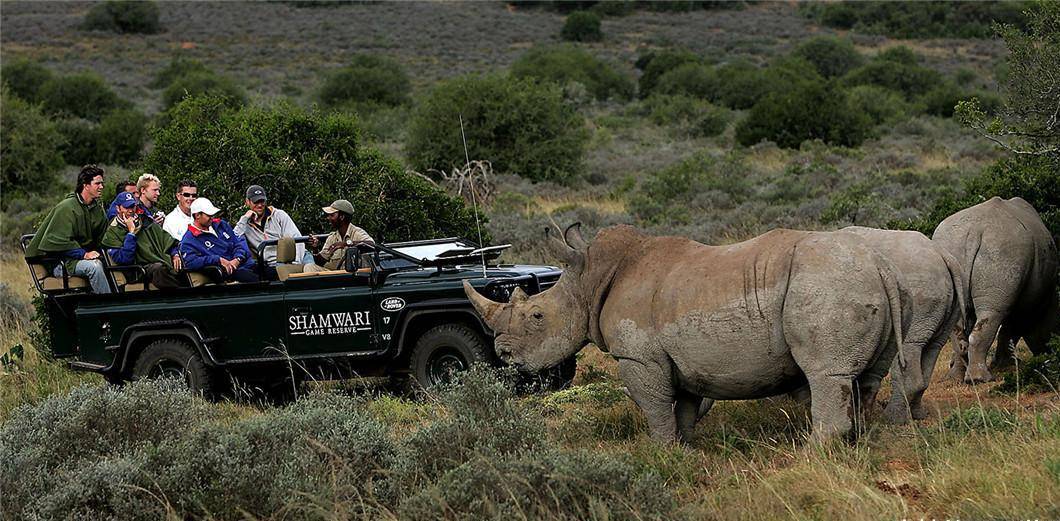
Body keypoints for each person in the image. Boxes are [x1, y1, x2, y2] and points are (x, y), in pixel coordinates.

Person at [24, 165, 111, 293]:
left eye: (102, 183)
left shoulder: (97, 209)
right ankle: (108, 303)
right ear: (86, 185)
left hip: (86, 259)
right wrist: (84, 254)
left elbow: (103, 238)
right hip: (63, 264)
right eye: (97, 183)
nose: (101, 187)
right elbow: (57, 242)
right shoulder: (66, 207)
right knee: (95, 267)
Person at [101, 192, 183, 289]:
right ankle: (183, 294)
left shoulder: (145, 221)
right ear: (118, 209)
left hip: (158, 261)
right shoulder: (112, 232)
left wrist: (175, 254)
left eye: (132, 207)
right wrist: (131, 233)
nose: (131, 210)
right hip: (136, 271)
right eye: (127, 207)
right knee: (159, 269)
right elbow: (125, 259)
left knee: (181, 262)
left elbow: (167, 240)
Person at [233, 185, 314, 275]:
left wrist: (295, 264)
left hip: (298, 258)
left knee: (311, 273)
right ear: (247, 202)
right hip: (273, 265)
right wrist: (244, 218)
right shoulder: (244, 224)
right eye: (256, 202)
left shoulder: (279, 215)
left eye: (262, 201)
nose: (259, 205)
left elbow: (297, 239)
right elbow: (233, 239)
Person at [179, 197, 260, 283]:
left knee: (267, 271)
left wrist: (237, 258)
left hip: (244, 264)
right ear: (197, 215)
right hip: (227, 273)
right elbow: (190, 262)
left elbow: (238, 242)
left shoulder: (221, 224)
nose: (212, 217)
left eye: (212, 215)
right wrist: (217, 260)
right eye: (208, 215)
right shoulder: (189, 239)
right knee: (251, 278)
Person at [305, 199, 374, 273]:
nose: (328, 218)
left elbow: (372, 245)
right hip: (336, 275)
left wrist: (346, 244)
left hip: (354, 276)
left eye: (332, 215)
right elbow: (320, 262)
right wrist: (315, 248)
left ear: (342, 217)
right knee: (309, 267)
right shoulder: (332, 237)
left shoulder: (356, 232)